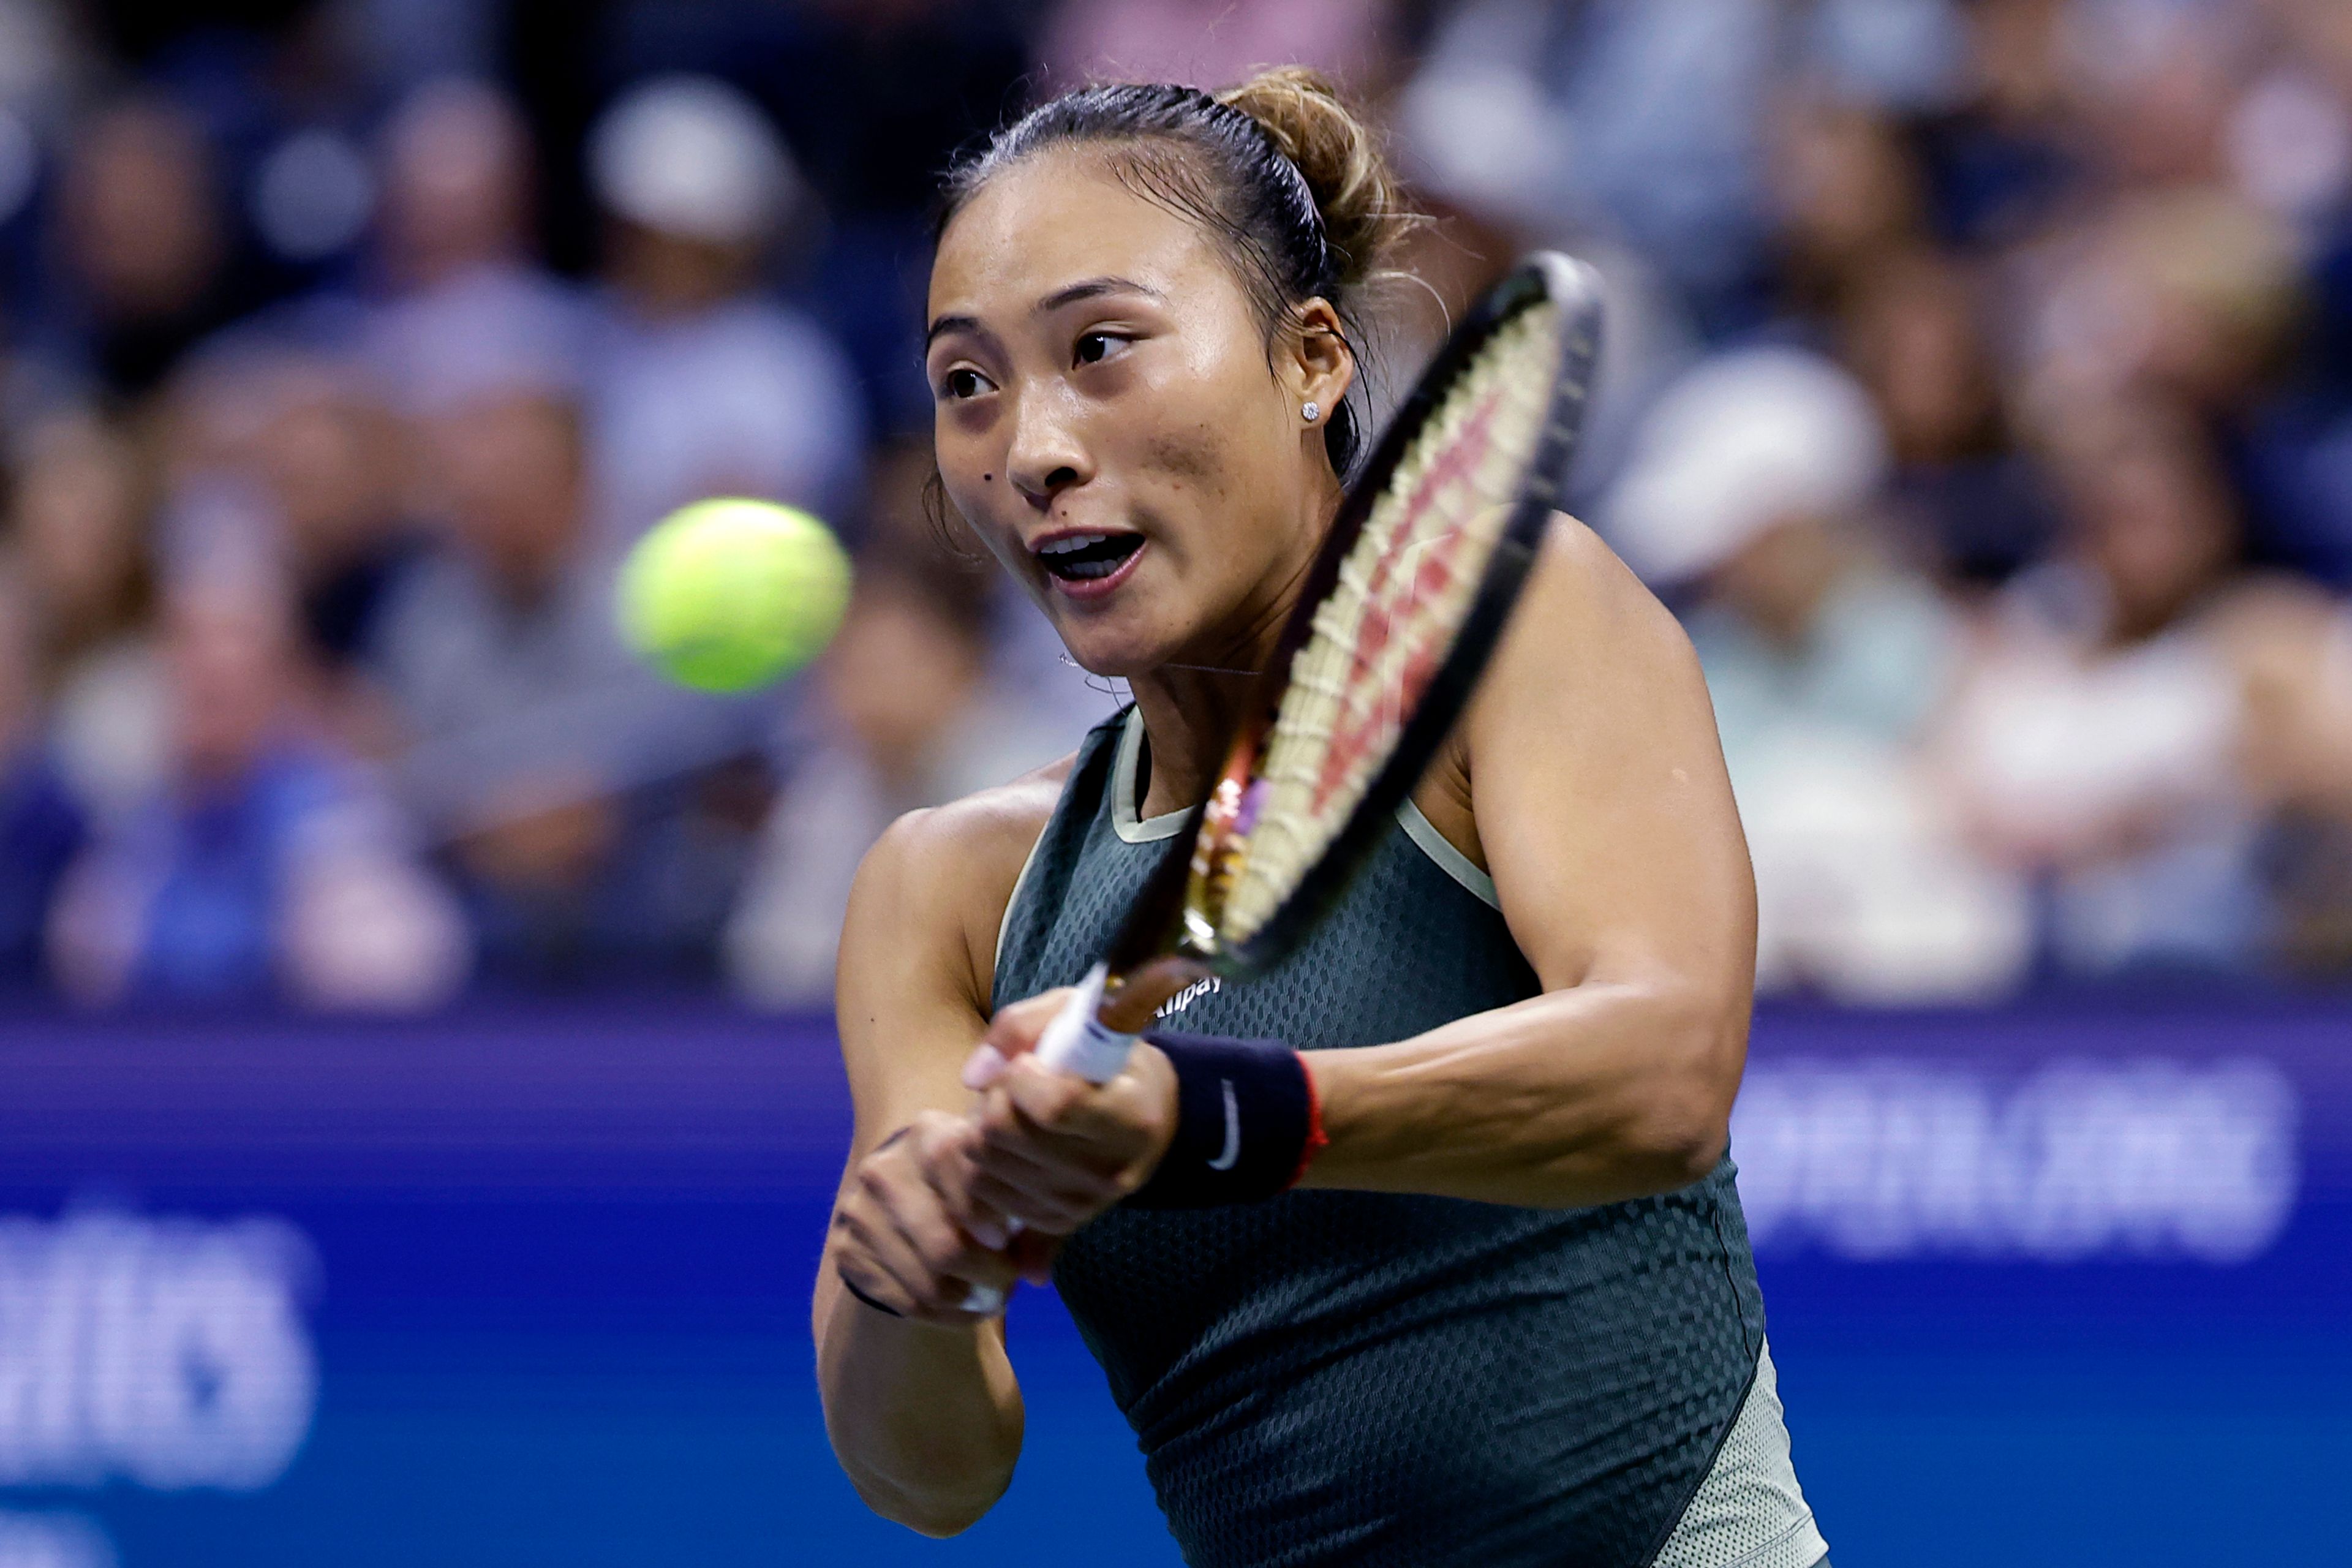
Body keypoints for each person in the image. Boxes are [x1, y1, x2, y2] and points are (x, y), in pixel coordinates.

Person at [817, 70, 1830, 1568]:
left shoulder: (1507, 612)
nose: (1030, 448)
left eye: (1102, 348)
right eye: (969, 382)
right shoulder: (948, 892)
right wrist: (916, 1271)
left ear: (1309, 356)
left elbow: (1664, 1069)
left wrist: (1214, 1115)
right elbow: (932, 1476)